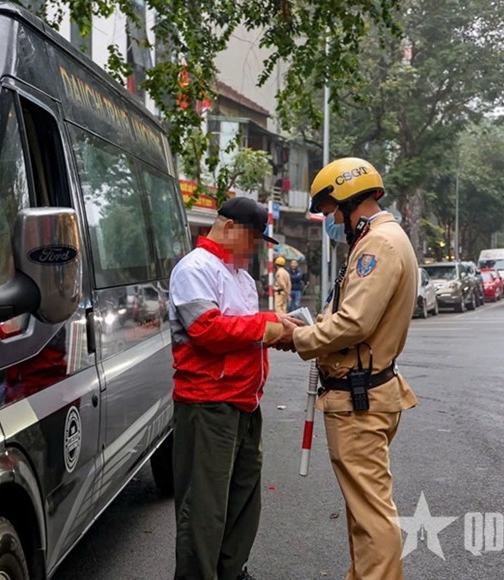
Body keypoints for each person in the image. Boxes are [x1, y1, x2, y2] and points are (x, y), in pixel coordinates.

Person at [277, 157, 418, 580]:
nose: (328, 222)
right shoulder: (383, 239)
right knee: (364, 509)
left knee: (371, 514)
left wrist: (297, 338)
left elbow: (355, 322)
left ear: (347, 202)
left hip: (359, 399)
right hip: (367, 390)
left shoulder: (378, 244)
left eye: (328, 212)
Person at [169, 196, 300, 580]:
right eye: (253, 239)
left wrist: (281, 328)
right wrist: (267, 326)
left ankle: (230, 571)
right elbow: (206, 330)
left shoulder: (240, 278)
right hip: (208, 404)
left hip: (244, 402)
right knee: (204, 508)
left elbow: (248, 335)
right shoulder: (194, 269)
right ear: (228, 228)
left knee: (243, 500)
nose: (255, 248)